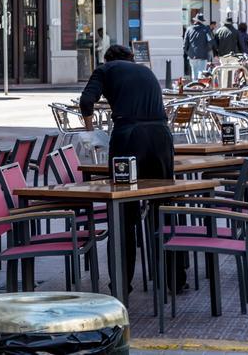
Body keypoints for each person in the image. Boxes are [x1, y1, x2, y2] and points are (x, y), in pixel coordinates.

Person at [80, 44, 187, 294]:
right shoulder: (146, 72)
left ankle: (121, 283)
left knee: (123, 213)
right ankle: (175, 279)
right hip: (161, 138)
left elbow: (87, 101)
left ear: (107, 60)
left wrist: (89, 131)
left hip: (128, 138)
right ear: (130, 58)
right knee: (164, 207)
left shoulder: (105, 70)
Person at [183, 13, 214, 80]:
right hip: (203, 55)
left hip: (192, 55)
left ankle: (195, 86)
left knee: (194, 73)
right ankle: (200, 87)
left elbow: (185, 45)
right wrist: (207, 50)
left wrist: (189, 53)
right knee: (201, 73)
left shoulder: (189, 29)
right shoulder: (206, 29)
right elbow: (211, 42)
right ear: (202, 21)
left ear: (195, 21)